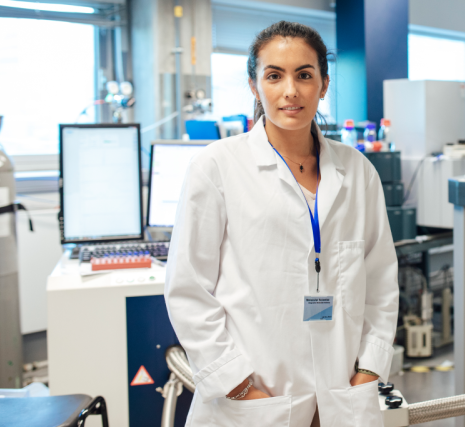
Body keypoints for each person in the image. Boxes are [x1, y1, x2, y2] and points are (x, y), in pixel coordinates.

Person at [165, 21, 398, 427]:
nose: (290, 91)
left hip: (342, 398)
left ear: (323, 85)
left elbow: (380, 281)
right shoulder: (217, 167)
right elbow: (188, 290)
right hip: (254, 399)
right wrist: (237, 384)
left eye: (304, 75)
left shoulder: (358, 171)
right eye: (274, 76)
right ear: (255, 87)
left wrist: (370, 369)